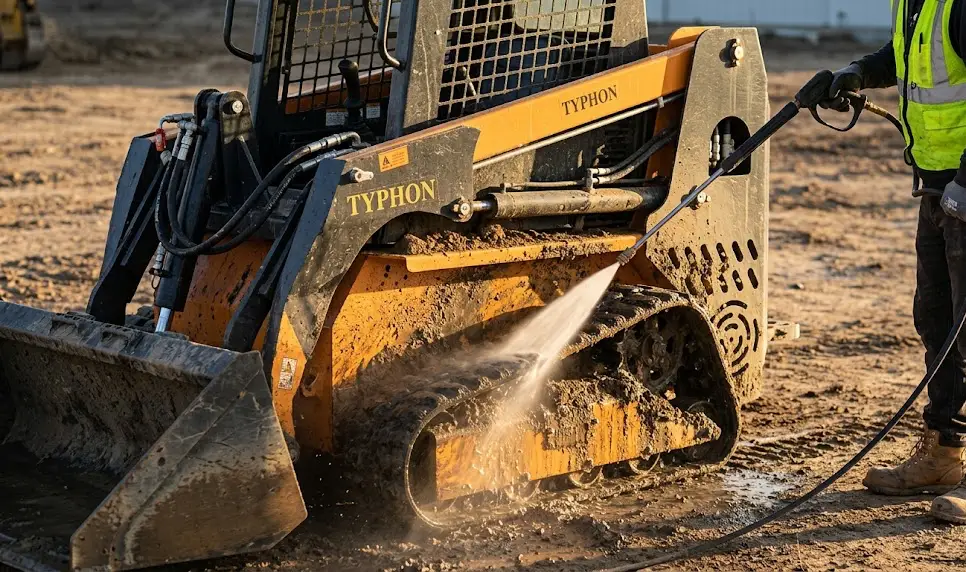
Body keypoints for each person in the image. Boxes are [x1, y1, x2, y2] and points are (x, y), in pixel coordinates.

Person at [815, 0, 966, 524]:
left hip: (964, 185)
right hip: (937, 185)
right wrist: (857, 73)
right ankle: (945, 454)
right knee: (938, 321)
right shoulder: (917, 4)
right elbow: (906, 58)